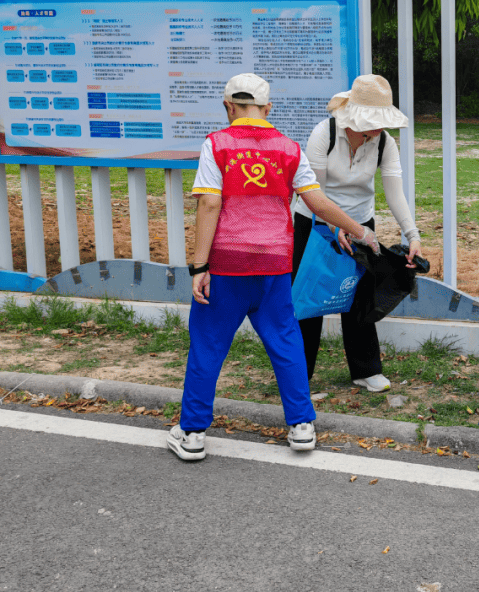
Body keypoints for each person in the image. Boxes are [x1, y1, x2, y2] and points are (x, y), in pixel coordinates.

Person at [168, 73, 379, 462]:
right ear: (268, 109)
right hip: (274, 266)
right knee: (286, 343)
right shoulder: (288, 148)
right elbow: (317, 202)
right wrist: (360, 232)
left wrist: (200, 266)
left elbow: (209, 205)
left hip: (227, 267)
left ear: (228, 106)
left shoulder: (216, 144)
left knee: (208, 345)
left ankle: (193, 432)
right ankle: (301, 426)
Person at [292, 74, 423, 391]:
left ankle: (365, 369)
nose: (379, 128)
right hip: (314, 221)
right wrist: (335, 225)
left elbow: (395, 192)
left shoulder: (385, 143)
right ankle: (298, 375)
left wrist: (412, 235)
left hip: (362, 225)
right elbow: (315, 193)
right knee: (309, 297)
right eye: (372, 120)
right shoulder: (324, 133)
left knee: (360, 294)